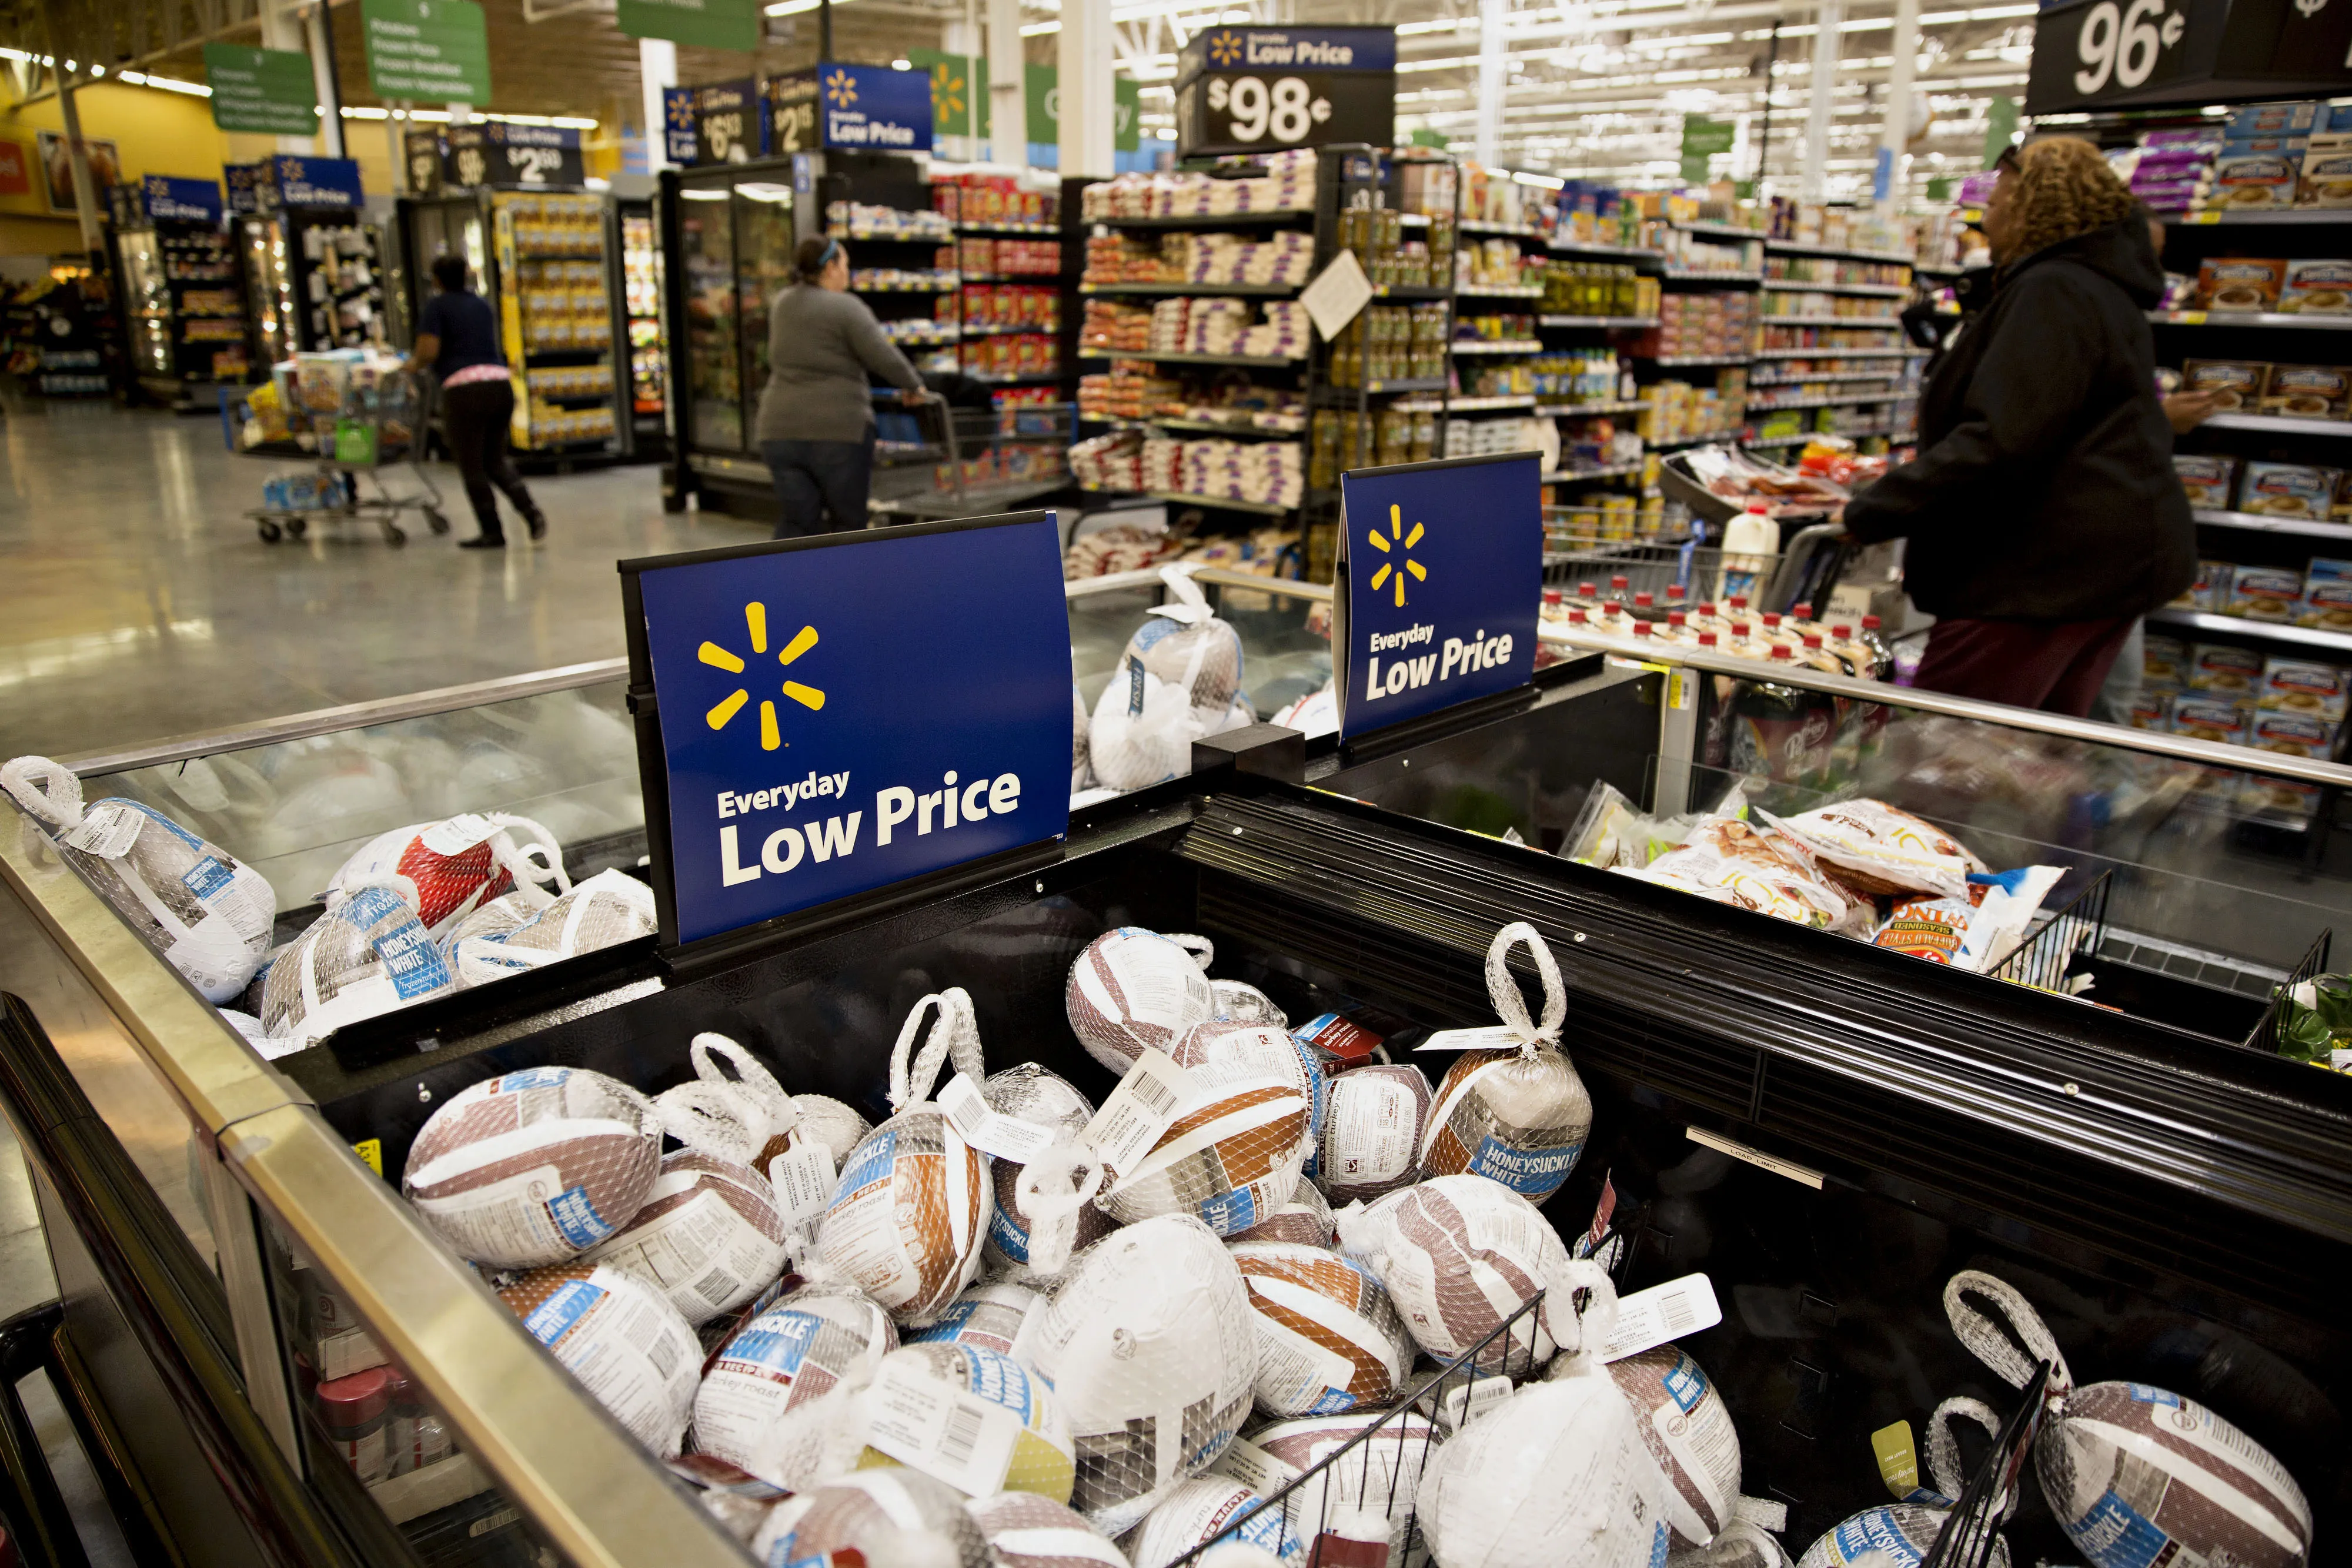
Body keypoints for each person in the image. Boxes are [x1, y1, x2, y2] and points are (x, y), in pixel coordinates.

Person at [1840, 138, 2193, 717]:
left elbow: (2000, 438)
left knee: (1937, 755)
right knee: (2030, 761)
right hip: (2094, 568)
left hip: (2036, 577)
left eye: (2000, 202)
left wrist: (1873, 508)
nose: (1987, 217)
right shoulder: (2097, 287)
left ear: (2035, 208)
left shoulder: (2055, 290)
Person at [754, 236, 927, 540]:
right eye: (846, 264)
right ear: (831, 267)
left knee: (797, 522)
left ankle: (785, 584)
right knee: (847, 526)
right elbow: (881, 355)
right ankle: (845, 585)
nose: (848, 272)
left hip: (778, 430)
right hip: (837, 432)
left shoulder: (783, 302)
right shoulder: (845, 307)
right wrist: (913, 386)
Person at [411, 254, 544, 550]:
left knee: (471, 463)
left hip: (464, 391)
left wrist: (409, 365)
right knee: (495, 458)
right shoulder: (481, 305)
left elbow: (428, 352)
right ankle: (530, 511)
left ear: (436, 279)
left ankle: (492, 531)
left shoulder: (437, 307)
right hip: (499, 385)